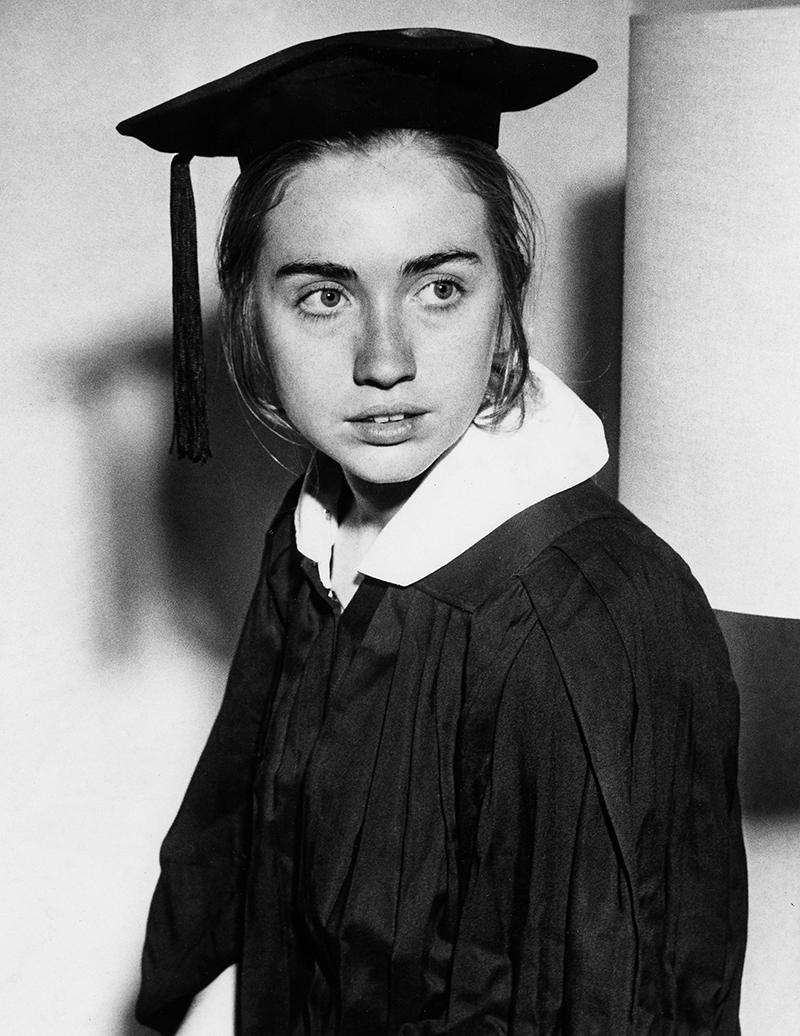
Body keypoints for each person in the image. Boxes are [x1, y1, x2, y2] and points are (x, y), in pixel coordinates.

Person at [118, 28, 747, 1035]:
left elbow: (611, 991)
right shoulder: (319, 529)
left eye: (439, 288)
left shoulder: (591, 621)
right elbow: (237, 802)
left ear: (505, 305)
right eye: (324, 296)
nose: (383, 359)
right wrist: (161, 990)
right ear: (249, 317)